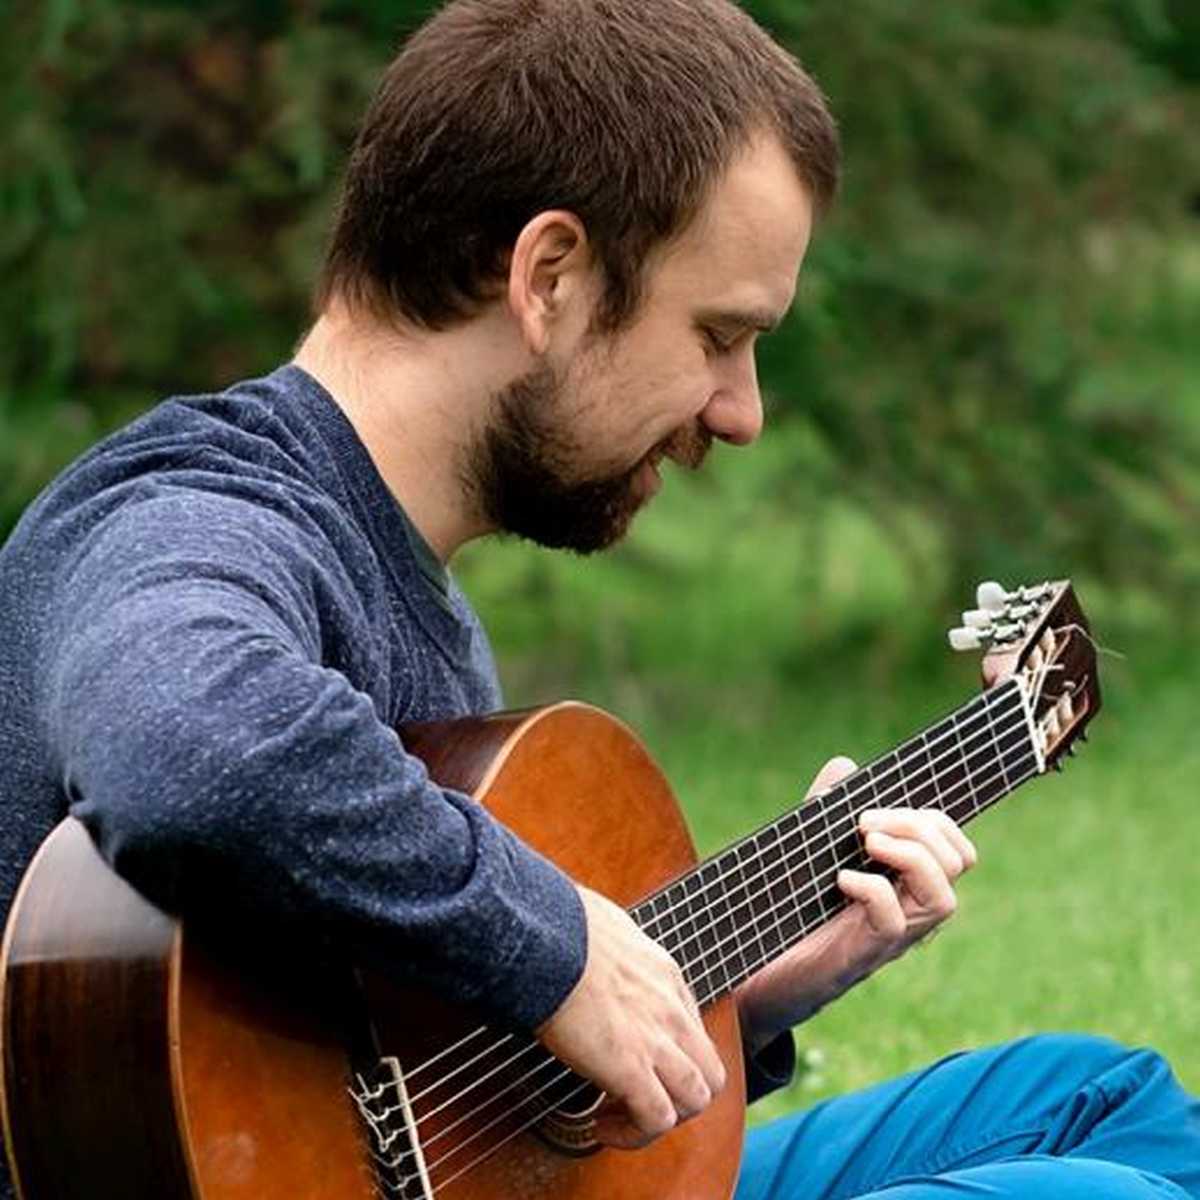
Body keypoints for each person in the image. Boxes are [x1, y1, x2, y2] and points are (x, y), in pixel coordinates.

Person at [0, 1, 1196, 1197]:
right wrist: (561, 951)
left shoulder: (411, 597)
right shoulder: (193, 520)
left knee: (1108, 1104)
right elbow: (188, 740)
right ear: (551, 277)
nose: (742, 410)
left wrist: (725, 994)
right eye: (719, 334)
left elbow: (432, 1073)